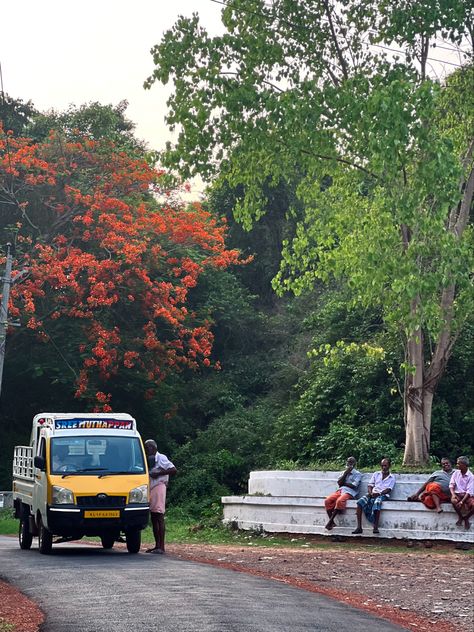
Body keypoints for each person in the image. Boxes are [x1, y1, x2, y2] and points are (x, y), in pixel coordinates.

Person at [144, 439, 177, 554]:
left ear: (154, 448)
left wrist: (157, 473)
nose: (147, 450)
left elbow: (173, 469)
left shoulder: (161, 458)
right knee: (153, 517)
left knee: (159, 515)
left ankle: (161, 546)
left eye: (148, 447)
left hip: (159, 486)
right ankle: (157, 545)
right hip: (151, 488)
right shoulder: (149, 459)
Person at [352, 458, 395, 535]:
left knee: (377, 502)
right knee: (360, 502)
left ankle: (375, 527)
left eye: (385, 465)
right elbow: (370, 485)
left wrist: (379, 493)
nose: (384, 467)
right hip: (373, 493)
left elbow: (388, 489)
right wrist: (371, 493)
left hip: (383, 495)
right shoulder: (376, 474)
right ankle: (359, 527)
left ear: (389, 466)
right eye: (382, 466)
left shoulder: (392, 477)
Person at [324, 456, 362, 530]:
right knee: (327, 500)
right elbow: (339, 483)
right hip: (341, 490)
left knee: (339, 501)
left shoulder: (357, 474)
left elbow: (353, 486)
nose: (349, 464)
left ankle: (330, 522)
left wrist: (343, 483)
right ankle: (332, 522)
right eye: (348, 462)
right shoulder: (343, 472)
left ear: (354, 464)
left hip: (350, 492)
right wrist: (345, 474)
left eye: (351, 462)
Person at [449, 456, 474, 530]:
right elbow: (451, 485)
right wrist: (453, 495)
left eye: (458, 464)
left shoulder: (471, 476)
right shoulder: (456, 473)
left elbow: (469, 491)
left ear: (463, 465)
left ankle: (466, 518)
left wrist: (462, 501)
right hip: (457, 494)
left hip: (467, 496)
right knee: (453, 501)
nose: (457, 465)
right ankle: (460, 516)